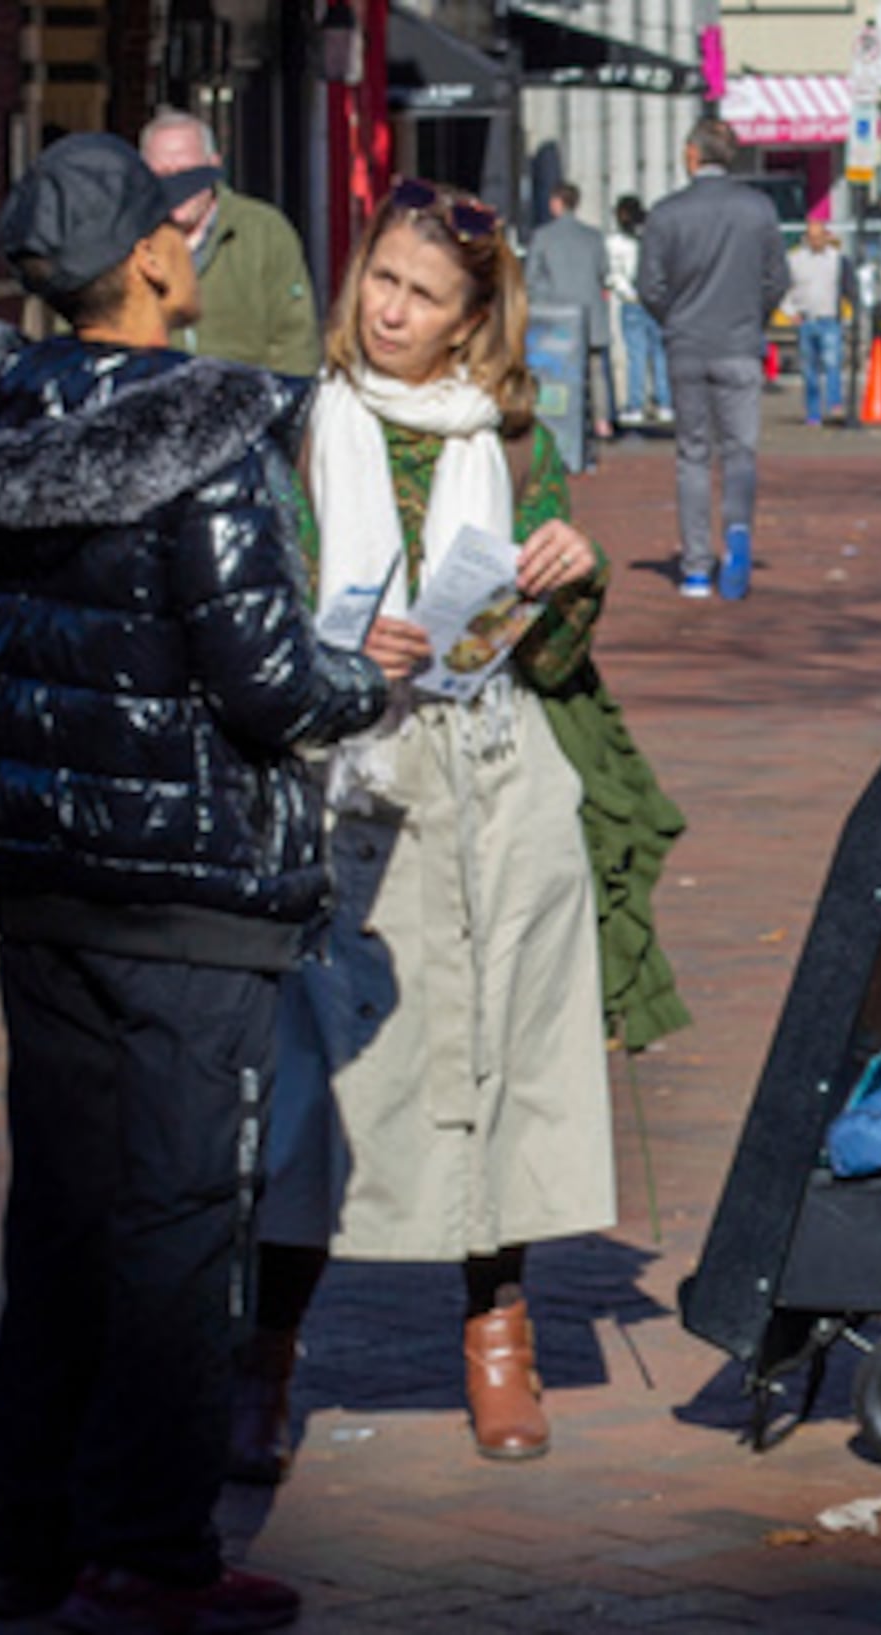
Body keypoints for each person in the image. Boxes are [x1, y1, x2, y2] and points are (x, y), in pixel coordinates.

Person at [0, 131, 393, 1631]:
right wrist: (367, 680)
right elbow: (263, 682)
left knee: (58, 1214)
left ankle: (24, 1535)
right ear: (158, 261)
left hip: (43, 870)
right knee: (180, 1219)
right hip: (183, 880)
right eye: (179, 231)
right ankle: (149, 1548)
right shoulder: (205, 433)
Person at [240, 176, 636, 1479]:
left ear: (475, 321)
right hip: (347, 781)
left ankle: (497, 1325)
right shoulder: (304, 428)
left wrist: (572, 573)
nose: (390, 309)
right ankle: (268, 1349)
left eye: (423, 294)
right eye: (382, 281)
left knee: (499, 1053)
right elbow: (254, 615)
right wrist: (339, 643)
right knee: (321, 1078)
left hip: (495, 771)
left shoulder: (514, 438)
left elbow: (557, 649)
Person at [639, 117, 790, 599]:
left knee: (693, 455)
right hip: (740, 342)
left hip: (687, 342)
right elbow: (777, 279)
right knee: (740, 450)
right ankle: (738, 529)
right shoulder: (758, 210)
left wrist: (674, 317)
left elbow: (649, 286)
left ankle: (697, 566)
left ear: (691, 155)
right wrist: (753, 314)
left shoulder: (666, 214)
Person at [138, 107, 319, 375]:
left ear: (213, 166)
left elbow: (294, 340)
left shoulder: (264, 231)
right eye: (162, 175)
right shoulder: (124, 239)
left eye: (188, 172)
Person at [524, 182, 615, 465]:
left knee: (556, 376)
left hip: (557, 318)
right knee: (597, 371)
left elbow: (531, 279)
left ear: (556, 203)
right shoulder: (594, 237)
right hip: (591, 315)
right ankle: (602, 420)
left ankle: (556, 421)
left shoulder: (542, 236)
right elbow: (604, 272)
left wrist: (546, 297)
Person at [608, 195, 669, 425]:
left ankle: (636, 404)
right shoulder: (657, 238)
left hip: (633, 303)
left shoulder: (616, 242)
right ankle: (665, 403)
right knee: (660, 354)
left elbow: (614, 274)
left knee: (636, 356)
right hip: (657, 302)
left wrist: (627, 294)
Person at [787, 217, 851, 428]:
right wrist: (790, 311)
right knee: (809, 371)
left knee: (832, 361)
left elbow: (847, 285)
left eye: (819, 237)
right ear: (806, 238)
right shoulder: (795, 260)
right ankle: (813, 414)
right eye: (812, 237)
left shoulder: (836, 259)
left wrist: (849, 312)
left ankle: (834, 402)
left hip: (829, 318)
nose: (816, 242)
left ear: (826, 237)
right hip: (806, 320)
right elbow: (783, 288)